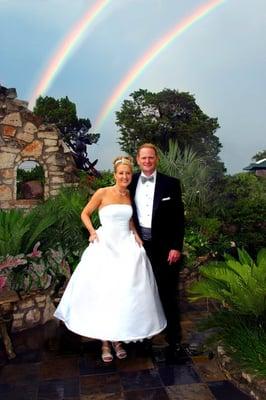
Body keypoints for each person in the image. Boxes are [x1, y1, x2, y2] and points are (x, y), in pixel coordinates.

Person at [54, 156, 166, 363]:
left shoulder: (129, 196)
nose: (124, 176)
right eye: (120, 173)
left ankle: (118, 340)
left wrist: (137, 236)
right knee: (105, 293)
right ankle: (105, 343)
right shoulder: (102, 193)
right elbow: (85, 213)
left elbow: (130, 219)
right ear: (114, 175)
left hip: (126, 246)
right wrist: (92, 232)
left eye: (127, 173)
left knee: (124, 293)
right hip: (105, 245)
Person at [129, 143, 185, 358]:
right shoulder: (130, 182)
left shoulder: (171, 184)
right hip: (139, 247)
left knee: (168, 294)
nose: (147, 161)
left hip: (165, 249)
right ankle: (143, 341)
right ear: (138, 159)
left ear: (156, 159)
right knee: (142, 295)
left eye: (151, 157)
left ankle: (174, 341)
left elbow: (179, 219)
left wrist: (175, 246)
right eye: (143, 158)